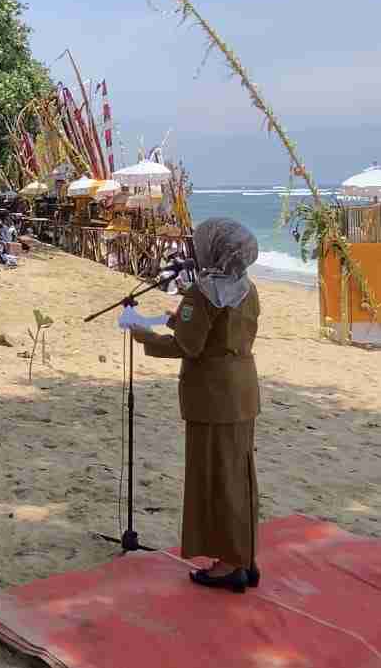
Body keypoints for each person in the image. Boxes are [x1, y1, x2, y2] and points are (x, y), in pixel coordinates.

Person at [129, 218, 261, 594]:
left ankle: (229, 564)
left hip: (212, 395)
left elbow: (188, 346)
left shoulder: (204, 291)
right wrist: (181, 321)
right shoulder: (247, 287)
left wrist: (144, 336)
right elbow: (222, 332)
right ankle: (245, 556)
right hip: (242, 389)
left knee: (216, 479)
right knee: (239, 476)